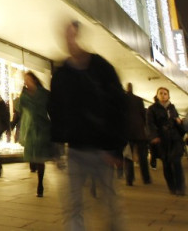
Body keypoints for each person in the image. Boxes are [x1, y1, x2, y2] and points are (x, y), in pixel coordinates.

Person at [48, 20, 126, 231]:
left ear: (81, 38)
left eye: (73, 36)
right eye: (66, 37)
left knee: (110, 203)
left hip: (104, 150)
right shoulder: (61, 75)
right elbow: (55, 110)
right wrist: (56, 146)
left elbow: (118, 107)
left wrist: (117, 149)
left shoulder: (102, 68)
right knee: (73, 205)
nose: (70, 41)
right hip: (75, 150)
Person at [16, 71, 52, 197]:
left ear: (34, 80)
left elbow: (51, 109)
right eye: (25, 80)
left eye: (28, 80)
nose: (26, 82)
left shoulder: (44, 94)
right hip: (30, 129)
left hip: (42, 128)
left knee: (40, 158)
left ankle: (40, 184)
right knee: (35, 156)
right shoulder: (24, 96)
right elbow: (19, 111)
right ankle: (36, 172)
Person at [146, 86, 185, 195]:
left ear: (168, 96)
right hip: (162, 140)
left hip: (175, 138)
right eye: (161, 93)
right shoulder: (152, 109)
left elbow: (176, 120)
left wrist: (178, 121)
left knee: (177, 162)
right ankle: (172, 187)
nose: (163, 95)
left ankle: (181, 188)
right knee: (166, 164)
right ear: (157, 95)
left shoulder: (172, 108)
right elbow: (150, 124)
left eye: (165, 93)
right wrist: (154, 136)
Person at [124, 82, 151, 186]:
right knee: (143, 157)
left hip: (127, 133)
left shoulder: (122, 100)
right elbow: (144, 116)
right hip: (139, 132)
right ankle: (146, 178)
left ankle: (129, 180)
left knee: (128, 157)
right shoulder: (139, 100)